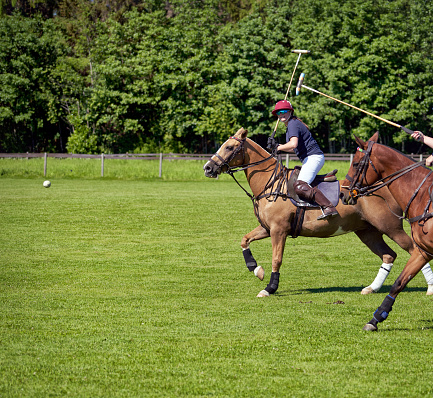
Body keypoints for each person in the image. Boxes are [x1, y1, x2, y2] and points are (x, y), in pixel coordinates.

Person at [270, 100, 339, 220]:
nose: (281, 114)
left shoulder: (292, 124)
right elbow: (294, 149)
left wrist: (278, 147)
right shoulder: (292, 124)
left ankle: (328, 207)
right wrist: (278, 147)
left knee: (300, 185)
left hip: (313, 158)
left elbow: (293, 144)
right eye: (278, 113)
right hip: (310, 158)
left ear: (290, 111)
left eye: (284, 111)